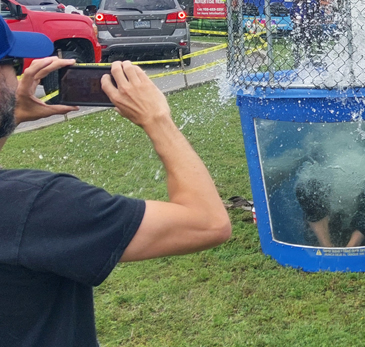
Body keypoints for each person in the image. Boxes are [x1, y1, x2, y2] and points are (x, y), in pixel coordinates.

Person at [0, 20, 232, 346]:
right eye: (12, 65)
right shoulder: (34, 206)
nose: (19, 75)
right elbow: (208, 222)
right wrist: (157, 120)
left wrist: (13, 114)